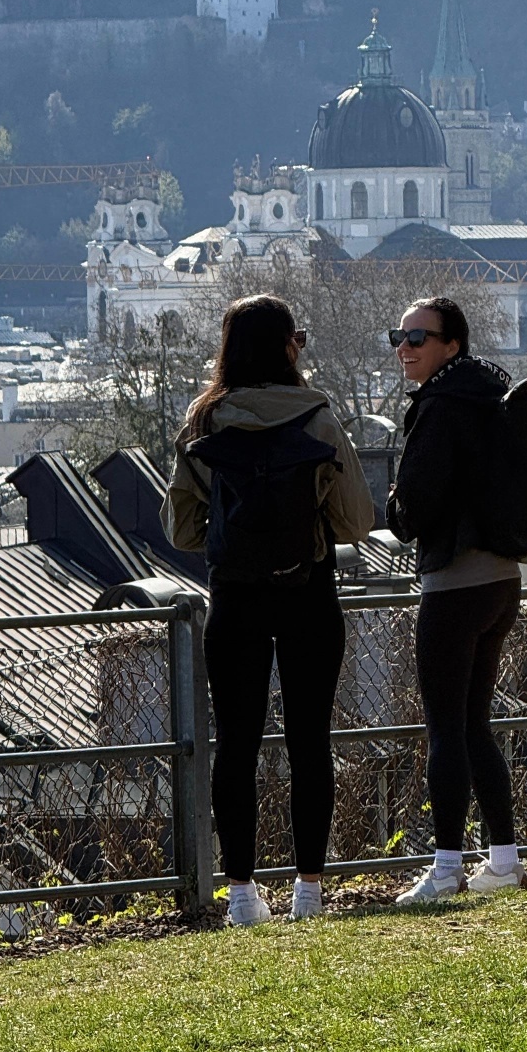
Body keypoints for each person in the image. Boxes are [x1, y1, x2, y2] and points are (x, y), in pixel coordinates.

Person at [163, 294, 374, 927]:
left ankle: (242, 894)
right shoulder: (318, 417)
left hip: (235, 596)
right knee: (311, 741)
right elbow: (356, 521)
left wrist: (232, 531)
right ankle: (308, 890)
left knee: (236, 745)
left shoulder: (205, 421)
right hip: (308, 592)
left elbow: (180, 530)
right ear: (287, 347)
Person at [384, 296, 524, 905]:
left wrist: (395, 503)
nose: (405, 347)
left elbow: (412, 511)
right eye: (399, 336)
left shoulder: (438, 407)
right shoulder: (490, 397)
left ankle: (445, 869)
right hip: (502, 580)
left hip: (454, 584)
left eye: (418, 337)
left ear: (451, 345)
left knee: (445, 727)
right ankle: (504, 859)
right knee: (474, 725)